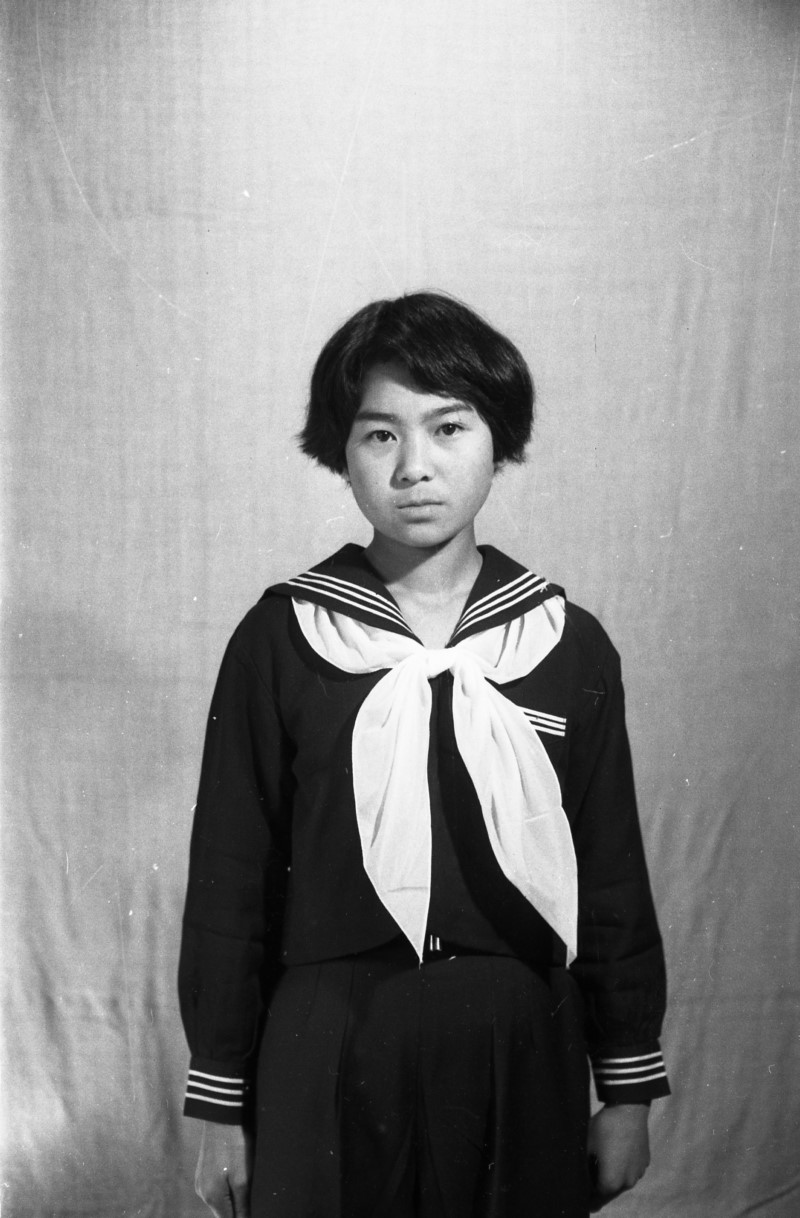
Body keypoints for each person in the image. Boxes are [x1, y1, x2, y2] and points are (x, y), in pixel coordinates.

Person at [178, 292, 670, 1217]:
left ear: (499, 440)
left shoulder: (567, 646)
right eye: (380, 436)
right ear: (341, 454)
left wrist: (628, 1088)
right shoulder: (283, 638)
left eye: (448, 428)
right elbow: (230, 879)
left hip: (520, 1038)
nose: (415, 468)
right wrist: (218, 1101)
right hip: (329, 1041)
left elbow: (611, 872)